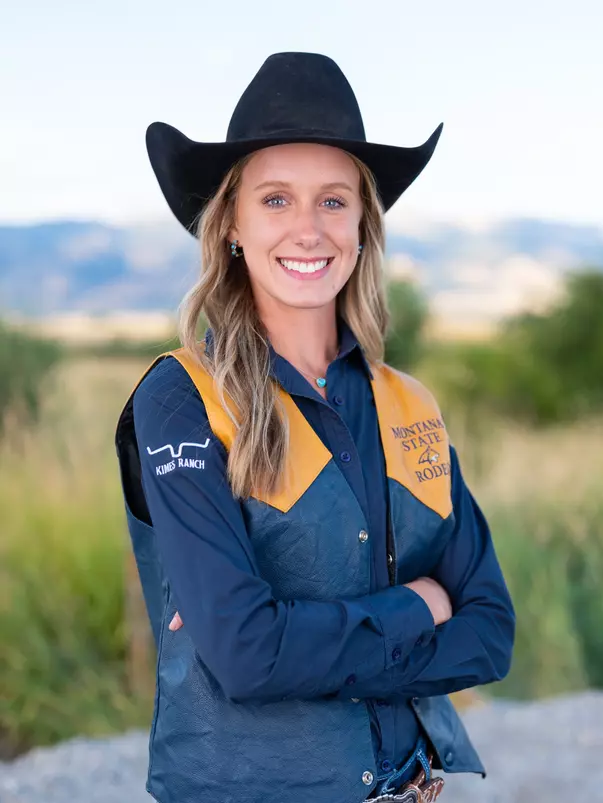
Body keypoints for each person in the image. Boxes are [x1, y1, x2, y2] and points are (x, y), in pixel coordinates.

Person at [115, 51, 515, 803]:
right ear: (231, 222)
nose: (307, 228)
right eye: (275, 200)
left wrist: (312, 642)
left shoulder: (408, 406)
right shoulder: (181, 400)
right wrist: (416, 607)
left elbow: (490, 631)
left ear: (363, 222)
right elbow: (247, 655)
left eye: (333, 200)